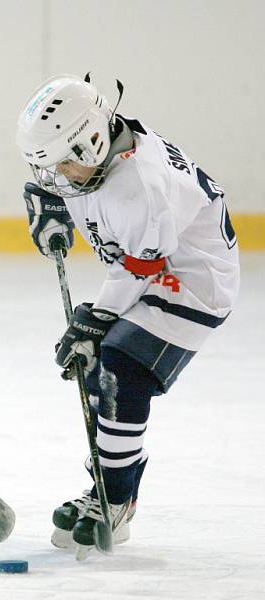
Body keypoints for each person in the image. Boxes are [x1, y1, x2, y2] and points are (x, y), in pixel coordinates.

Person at [15, 74, 240, 553]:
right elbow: (92, 199)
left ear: (91, 142)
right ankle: (107, 486)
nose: (58, 176)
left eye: (62, 167)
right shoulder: (107, 149)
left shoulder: (143, 188)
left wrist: (94, 320)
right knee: (102, 370)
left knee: (121, 371)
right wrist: (54, 203)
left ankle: (116, 499)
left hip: (192, 286)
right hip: (152, 267)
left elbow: (138, 269)